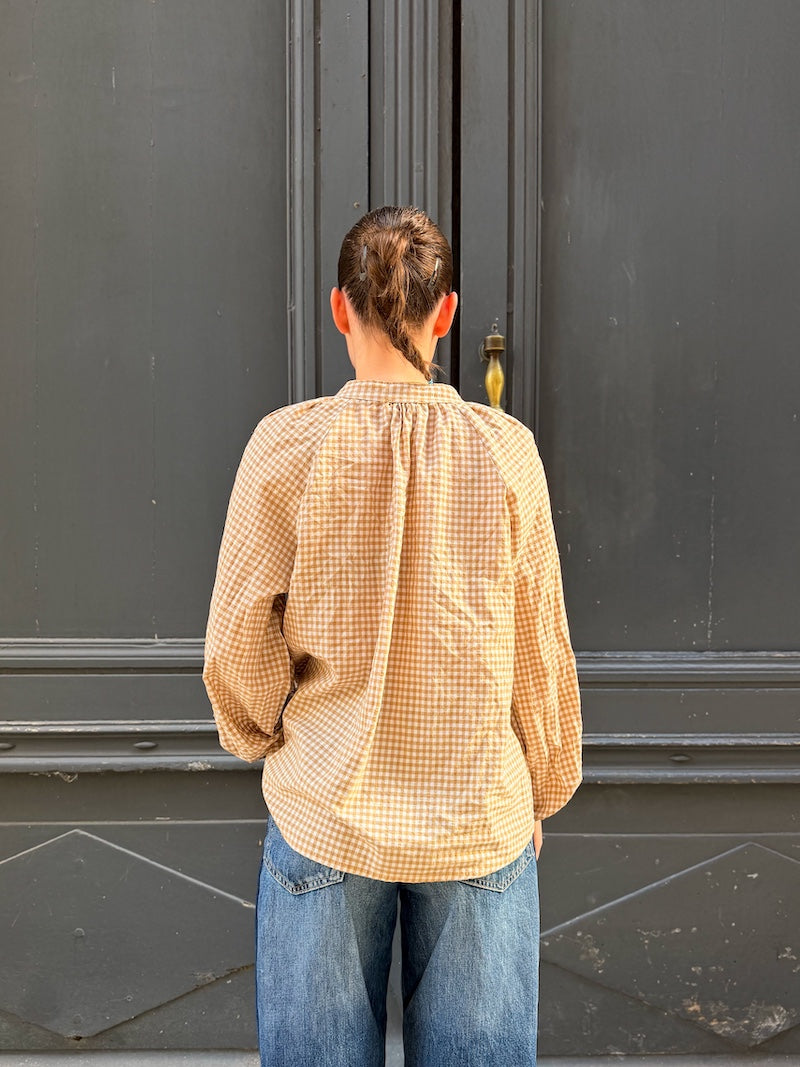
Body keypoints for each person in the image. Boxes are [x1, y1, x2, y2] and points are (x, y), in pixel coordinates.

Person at [202, 205, 582, 1067]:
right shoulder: (507, 452)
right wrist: (545, 785)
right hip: (477, 816)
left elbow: (236, 643)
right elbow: (540, 648)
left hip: (325, 809)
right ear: (446, 314)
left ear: (340, 309)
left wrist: (267, 737)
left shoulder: (285, 446)